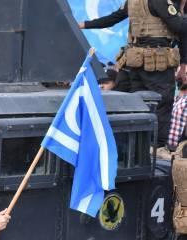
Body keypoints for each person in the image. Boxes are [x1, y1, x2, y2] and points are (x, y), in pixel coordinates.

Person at [79, 0, 187, 149]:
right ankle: (157, 148)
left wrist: (84, 24)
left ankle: (138, 149)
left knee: (139, 104)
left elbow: (112, 19)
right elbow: (179, 27)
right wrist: (182, 12)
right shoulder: (161, 1)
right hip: (157, 64)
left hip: (136, 62)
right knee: (162, 103)